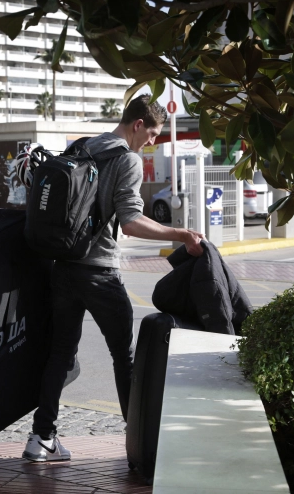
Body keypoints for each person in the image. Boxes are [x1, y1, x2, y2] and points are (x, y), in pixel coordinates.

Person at [22, 94, 206, 462]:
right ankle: (138, 441)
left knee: (59, 353)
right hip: (100, 272)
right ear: (138, 124)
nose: (152, 142)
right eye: (152, 134)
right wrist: (182, 234)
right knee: (125, 356)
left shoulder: (84, 146)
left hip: (64, 267)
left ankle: (41, 438)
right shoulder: (127, 159)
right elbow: (131, 221)